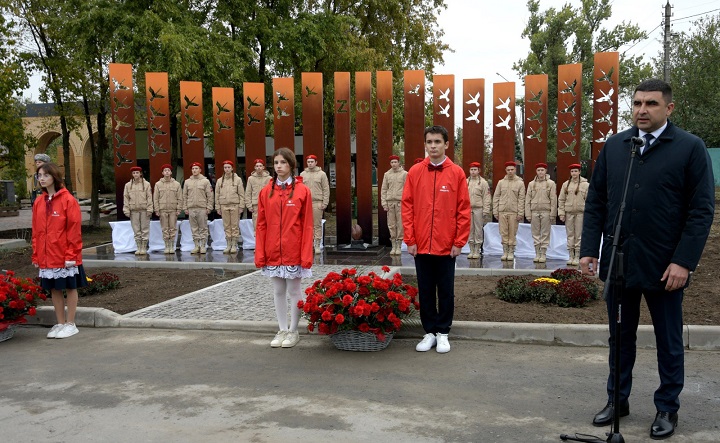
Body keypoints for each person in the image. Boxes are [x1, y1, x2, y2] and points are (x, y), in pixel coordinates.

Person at [580, 79, 714, 440]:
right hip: (621, 262)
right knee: (619, 338)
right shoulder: (615, 146)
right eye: (637, 103)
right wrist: (590, 249)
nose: (642, 110)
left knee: (668, 340)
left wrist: (684, 262)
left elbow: (701, 211)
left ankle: (667, 406)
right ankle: (616, 399)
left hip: (666, 267)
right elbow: (597, 203)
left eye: (651, 104)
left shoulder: (689, 148)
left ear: (669, 108)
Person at [402, 125, 470, 354]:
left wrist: (459, 242)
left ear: (446, 144)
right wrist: (410, 239)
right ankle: (429, 331)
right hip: (420, 244)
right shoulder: (415, 172)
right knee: (426, 289)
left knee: (446, 290)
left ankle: (443, 332)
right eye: (429, 142)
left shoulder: (457, 173)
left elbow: (463, 209)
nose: (433, 146)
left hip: (446, 245)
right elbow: (407, 207)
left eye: (437, 142)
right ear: (425, 144)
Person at [255, 147, 314, 348]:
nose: (279, 166)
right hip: (273, 250)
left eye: (283, 163)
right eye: (276, 162)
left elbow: (307, 225)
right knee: (278, 290)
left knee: (294, 290)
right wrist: (260, 252)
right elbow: (261, 224)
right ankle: (281, 329)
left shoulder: (302, 191)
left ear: (291, 165)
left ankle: (293, 330)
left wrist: (306, 254)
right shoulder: (265, 192)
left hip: (293, 250)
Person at [31, 162, 87, 339]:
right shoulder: (39, 202)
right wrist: (36, 254)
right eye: (39, 175)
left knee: (70, 287)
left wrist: (72, 254)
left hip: (64, 254)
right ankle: (60, 323)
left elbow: (74, 229)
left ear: (54, 177)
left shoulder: (67, 200)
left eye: (45, 175)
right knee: (54, 289)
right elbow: (36, 231)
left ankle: (71, 324)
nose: (41, 178)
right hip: (47, 256)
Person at [492, 161, 525, 261]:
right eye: (508, 170)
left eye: (512, 169)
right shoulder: (501, 182)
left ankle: (511, 251)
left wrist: (520, 213)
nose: (510, 171)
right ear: (506, 171)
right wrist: (495, 211)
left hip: (514, 212)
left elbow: (521, 199)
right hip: (502, 211)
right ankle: (505, 251)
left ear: (515, 170)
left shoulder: (520, 183)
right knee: (503, 232)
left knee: (512, 233)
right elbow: (496, 197)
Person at [525, 162, 557, 263]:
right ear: (536, 171)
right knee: (535, 233)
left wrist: (553, 213)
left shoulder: (551, 183)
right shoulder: (531, 184)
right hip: (534, 211)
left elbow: (553, 199)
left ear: (545, 171)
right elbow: (527, 200)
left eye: (542, 170)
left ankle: (543, 253)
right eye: (538, 170)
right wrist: (528, 214)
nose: (540, 172)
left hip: (546, 211)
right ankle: (537, 253)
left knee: (545, 233)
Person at [558, 164, 588, 266]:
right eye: (572, 171)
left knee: (578, 235)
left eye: (575, 171)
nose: (574, 173)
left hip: (580, 213)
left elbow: (589, 201)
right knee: (570, 235)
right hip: (569, 213)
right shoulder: (566, 185)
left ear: (579, 172)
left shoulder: (585, 185)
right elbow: (561, 200)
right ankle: (570, 255)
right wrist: (561, 213)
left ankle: (577, 256)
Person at [300, 154, 330, 254]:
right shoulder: (303, 174)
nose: (310, 164)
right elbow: (299, 189)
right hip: (305, 203)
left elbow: (326, 189)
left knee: (317, 224)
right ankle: (309, 243)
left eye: (312, 162)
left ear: (316, 163)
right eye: (308, 162)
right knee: (306, 225)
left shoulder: (321, 174)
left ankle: (317, 244)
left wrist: (325, 202)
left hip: (317, 202)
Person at [215, 160, 245, 254]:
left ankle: (234, 245)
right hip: (224, 205)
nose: (227, 169)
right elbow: (217, 194)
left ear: (232, 168)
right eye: (225, 167)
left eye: (228, 167)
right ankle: (228, 244)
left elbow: (241, 194)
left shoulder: (237, 179)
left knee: (234, 226)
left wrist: (241, 206)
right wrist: (217, 207)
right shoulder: (220, 181)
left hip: (234, 205)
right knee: (226, 226)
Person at [183, 162, 213, 254]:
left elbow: (210, 195)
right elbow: (184, 195)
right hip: (191, 208)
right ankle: (196, 245)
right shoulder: (187, 182)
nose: (194, 170)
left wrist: (209, 207)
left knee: (203, 227)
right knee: (194, 228)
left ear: (200, 170)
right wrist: (185, 208)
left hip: (202, 208)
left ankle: (203, 245)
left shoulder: (205, 181)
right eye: (193, 169)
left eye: (196, 168)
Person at [380, 154, 408, 255]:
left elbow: (407, 189)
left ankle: (399, 245)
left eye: (395, 162)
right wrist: (384, 203)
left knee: (400, 224)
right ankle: (393, 245)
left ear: (399, 163)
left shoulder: (405, 174)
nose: (394, 164)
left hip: (400, 203)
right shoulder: (387, 174)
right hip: (390, 203)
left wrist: (406, 203)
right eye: (392, 162)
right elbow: (384, 189)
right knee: (391, 224)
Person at [123, 166, 153, 255]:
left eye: (137, 173)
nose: (135, 174)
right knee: (136, 230)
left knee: (144, 229)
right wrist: (126, 210)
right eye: (134, 173)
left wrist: (149, 209)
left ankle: (143, 247)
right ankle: (138, 247)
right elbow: (126, 198)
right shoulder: (128, 185)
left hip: (144, 210)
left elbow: (149, 197)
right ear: (132, 174)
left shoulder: (146, 184)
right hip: (133, 211)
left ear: (140, 173)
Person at [153, 164, 182, 254]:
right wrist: (157, 209)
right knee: (165, 228)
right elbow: (155, 198)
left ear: (171, 172)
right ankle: (166, 246)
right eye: (165, 170)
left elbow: (180, 197)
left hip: (173, 209)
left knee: (172, 228)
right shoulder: (158, 184)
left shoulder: (176, 184)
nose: (167, 172)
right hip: (162, 209)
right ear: (162, 172)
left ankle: (172, 246)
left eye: (168, 170)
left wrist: (179, 209)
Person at [466, 161, 491, 259]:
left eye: (475, 170)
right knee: (470, 229)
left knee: (478, 229)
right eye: (471, 170)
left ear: (479, 171)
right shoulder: (466, 181)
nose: (473, 172)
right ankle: (471, 249)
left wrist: (486, 210)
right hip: (468, 209)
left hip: (479, 209)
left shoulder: (483, 183)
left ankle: (477, 249)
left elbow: (487, 197)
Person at [245, 158, 271, 230]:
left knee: (267, 222)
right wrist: (249, 206)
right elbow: (248, 192)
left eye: (260, 166)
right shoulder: (251, 179)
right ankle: (257, 238)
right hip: (255, 204)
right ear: (255, 168)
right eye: (257, 166)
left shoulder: (269, 178)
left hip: (266, 204)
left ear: (263, 167)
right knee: (256, 223)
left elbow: (273, 192)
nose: (258, 168)